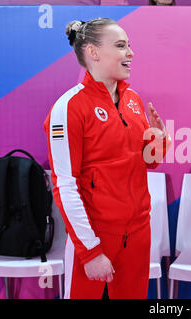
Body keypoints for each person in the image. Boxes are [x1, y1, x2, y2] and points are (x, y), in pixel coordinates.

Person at [43, 18, 171, 299]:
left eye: (129, 46)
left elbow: (147, 162)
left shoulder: (133, 99)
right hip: (96, 238)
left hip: (138, 235)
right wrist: (90, 252)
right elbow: (65, 185)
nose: (130, 53)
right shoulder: (68, 107)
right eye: (121, 46)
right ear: (94, 52)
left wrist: (158, 141)